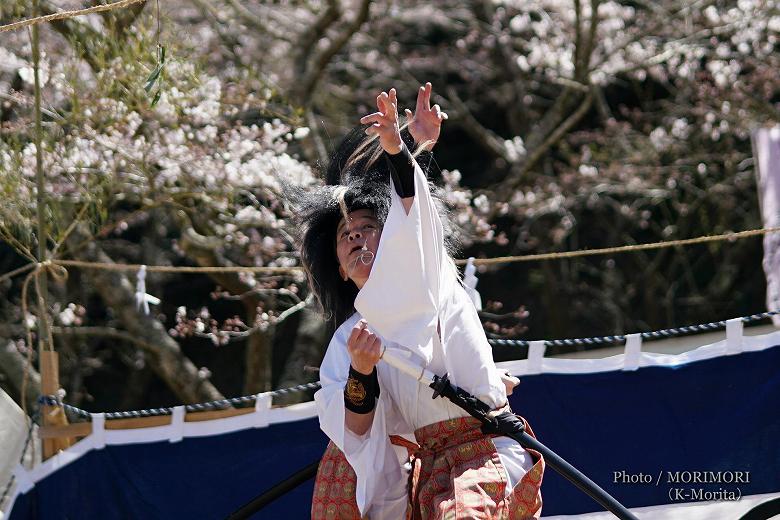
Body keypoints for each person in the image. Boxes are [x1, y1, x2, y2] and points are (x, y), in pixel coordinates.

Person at [296, 84, 544, 519]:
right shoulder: (345, 342)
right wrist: (362, 368)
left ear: (392, 236)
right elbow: (353, 431)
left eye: (368, 226)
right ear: (337, 266)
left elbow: (416, 217)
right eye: (344, 234)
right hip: (425, 469)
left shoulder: (430, 277)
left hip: (480, 448)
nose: (355, 235)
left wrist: (402, 147)